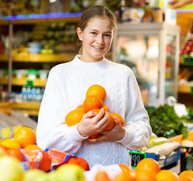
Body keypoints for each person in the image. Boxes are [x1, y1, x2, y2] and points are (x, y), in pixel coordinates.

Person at [36, 5, 152, 168]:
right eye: (94, 33)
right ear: (80, 33)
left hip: (116, 176)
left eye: (106, 35)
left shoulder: (123, 74)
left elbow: (144, 131)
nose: (100, 41)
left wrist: (122, 134)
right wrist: (79, 131)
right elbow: (45, 140)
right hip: (72, 176)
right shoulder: (60, 74)